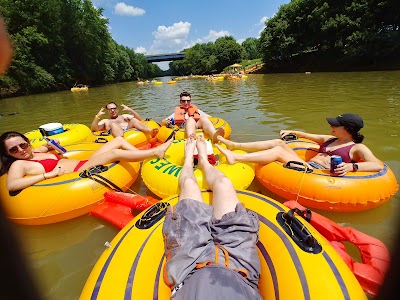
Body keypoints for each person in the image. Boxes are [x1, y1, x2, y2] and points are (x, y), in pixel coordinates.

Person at [162, 135, 262, 299]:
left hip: (190, 267)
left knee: (189, 184)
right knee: (223, 183)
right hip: (241, 268)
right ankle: (202, 161)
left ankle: (190, 160)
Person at [216, 113, 383, 176]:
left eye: (335, 125)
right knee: (278, 143)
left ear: (347, 129)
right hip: (306, 165)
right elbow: (307, 135)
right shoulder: (330, 139)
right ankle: (234, 145)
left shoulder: (357, 148)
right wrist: (292, 132)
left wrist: (351, 167)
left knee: (279, 152)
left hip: (316, 174)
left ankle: (235, 157)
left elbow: (376, 165)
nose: (331, 126)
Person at [0, 131, 172, 191]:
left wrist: (52, 145)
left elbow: (47, 148)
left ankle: (143, 160)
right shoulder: (18, 164)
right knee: (114, 152)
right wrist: (47, 175)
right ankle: (155, 152)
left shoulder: (34, 151)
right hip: (78, 174)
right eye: (13, 150)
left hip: (84, 161)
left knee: (118, 140)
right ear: (8, 153)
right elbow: (12, 185)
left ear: (28, 143)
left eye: (22, 145)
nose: (21, 150)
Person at [91, 102, 158, 138]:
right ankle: (121, 141)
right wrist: (97, 116)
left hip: (127, 130)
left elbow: (140, 120)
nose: (112, 110)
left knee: (133, 120)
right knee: (113, 124)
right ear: (107, 111)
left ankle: (150, 132)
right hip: (115, 134)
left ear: (117, 109)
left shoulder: (124, 116)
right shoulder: (105, 121)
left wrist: (130, 110)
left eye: (114, 108)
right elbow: (94, 129)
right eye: (110, 109)